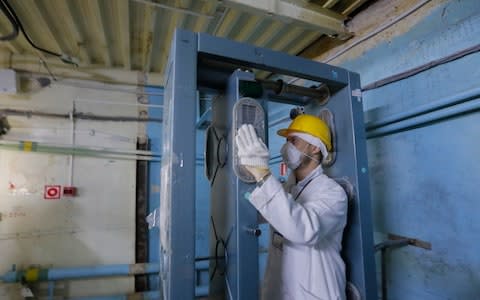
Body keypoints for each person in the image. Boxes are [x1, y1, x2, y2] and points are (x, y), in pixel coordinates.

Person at [235, 114, 348, 300]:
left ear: (314, 147)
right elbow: (255, 213)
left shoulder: (333, 193)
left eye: (293, 140)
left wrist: (263, 175)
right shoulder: (287, 189)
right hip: (280, 290)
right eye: (287, 141)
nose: (286, 147)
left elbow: (305, 230)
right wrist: (244, 177)